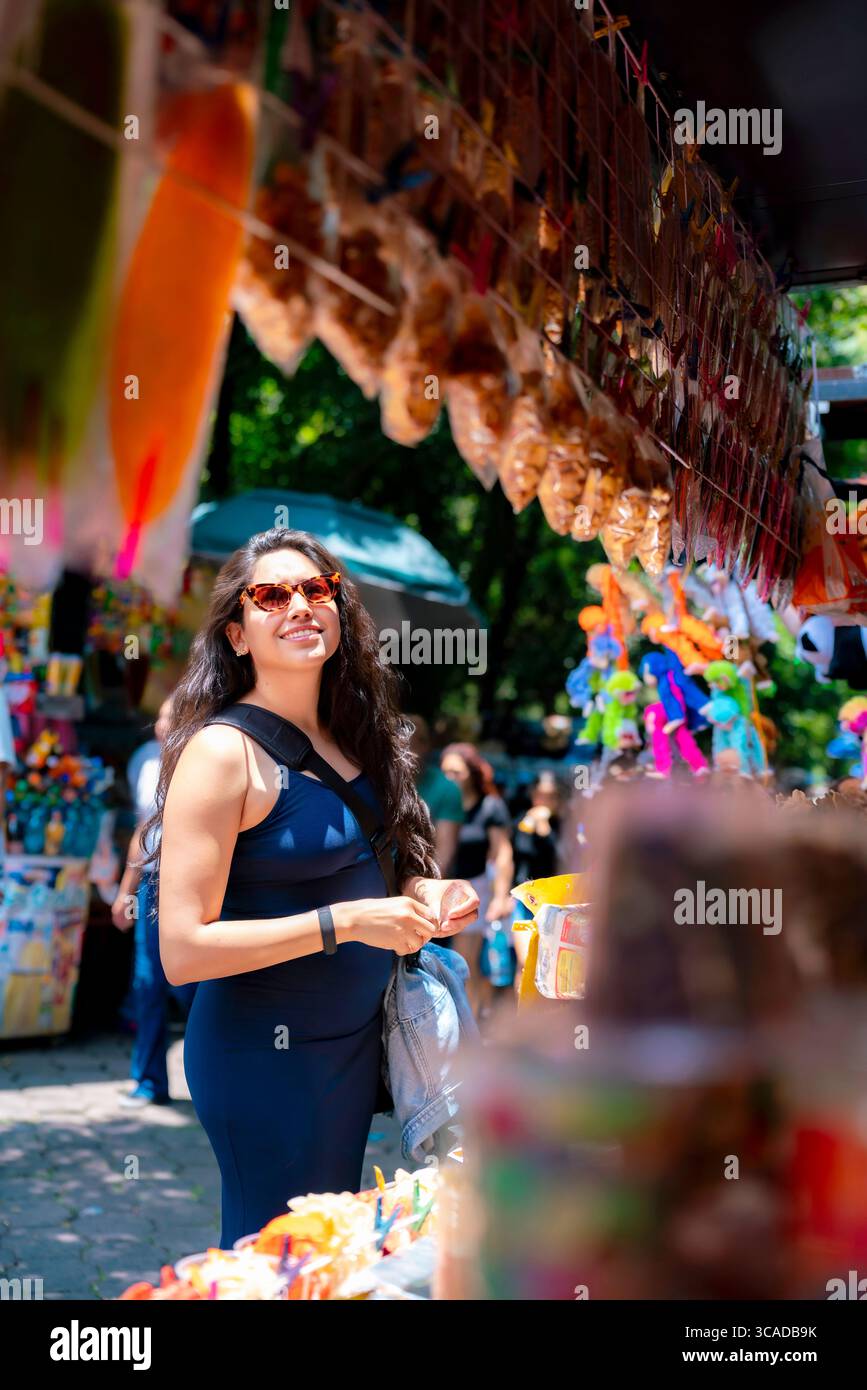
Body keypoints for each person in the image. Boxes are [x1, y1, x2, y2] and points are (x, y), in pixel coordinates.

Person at [143, 527, 479, 1249]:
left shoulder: (357, 734)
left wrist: (427, 891)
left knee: (326, 1255)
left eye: (315, 589)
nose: (298, 604)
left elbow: (390, 858)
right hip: (261, 1059)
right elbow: (183, 950)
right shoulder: (220, 754)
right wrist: (346, 922)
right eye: (271, 595)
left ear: (337, 609)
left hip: (352, 1049)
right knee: (276, 1261)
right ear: (237, 634)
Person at [112, 695, 197, 1108]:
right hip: (151, 881)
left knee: (189, 987)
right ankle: (149, 1082)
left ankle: (213, 1079)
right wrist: (126, 891)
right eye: (160, 716)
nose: (162, 724)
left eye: (171, 716)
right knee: (147, 983)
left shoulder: (207, 759)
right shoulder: (148, 760)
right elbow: (145, 827)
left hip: (192, 884)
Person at [440, 742, 514, 1016]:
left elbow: (503, 853)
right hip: (438, 892)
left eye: (456, 772)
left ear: (471, 772)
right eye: (445, 772)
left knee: (465, 964)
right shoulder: (439, 803)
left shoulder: (490, 806)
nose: (450, 778)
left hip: (475, 888)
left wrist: (500, 896)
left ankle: (467, 1031)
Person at [408, 712, 463, 875]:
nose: (402, 748)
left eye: (412, 742)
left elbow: (444, 854)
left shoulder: (447, 788)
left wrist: (430, 888)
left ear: (425, 746)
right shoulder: (377, 783)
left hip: (424, 879)